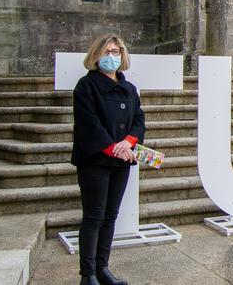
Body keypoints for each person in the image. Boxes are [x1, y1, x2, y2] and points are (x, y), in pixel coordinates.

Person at [71, 34, 145, 285]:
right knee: (94, 216)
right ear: (96, 56)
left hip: (121, 160)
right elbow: (89, 124)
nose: (111, 56)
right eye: (106, 52)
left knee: (111, 216)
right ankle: (88, 275)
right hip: (95, 161)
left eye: (116, 52)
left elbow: (138, 120)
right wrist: (113, 147)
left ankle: (102, 269)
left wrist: (129, 142)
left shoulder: (129, 88)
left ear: (122, 56)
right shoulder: (86, 85)